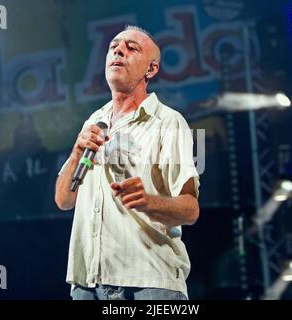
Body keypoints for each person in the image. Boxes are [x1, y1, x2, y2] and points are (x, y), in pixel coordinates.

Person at [55, 25, 200, 300]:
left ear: (151, 69)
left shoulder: (168, 122)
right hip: (86, 284)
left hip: (148, 283)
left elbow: (190, 210)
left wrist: (148, 201)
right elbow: (64, 200)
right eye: (113, 47)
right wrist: (76, 153)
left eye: (131, 48)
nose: (118, 50)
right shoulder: (93, 121)